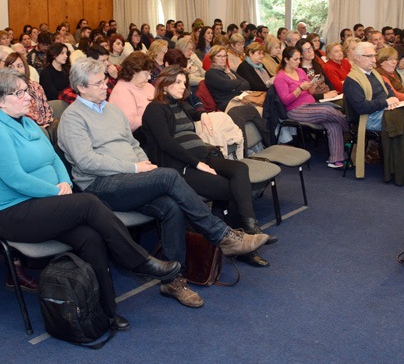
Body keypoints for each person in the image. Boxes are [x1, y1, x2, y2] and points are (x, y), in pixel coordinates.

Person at [0, 68, 181, 330]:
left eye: (26, 90)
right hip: (10, 213)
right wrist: (55, 191)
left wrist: (65, 183)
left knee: (90, 237)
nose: (29, 97)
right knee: (88, 203)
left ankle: (106, 311)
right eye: (20, 92)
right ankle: (138, 260)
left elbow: (54, 158)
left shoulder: (27, 122)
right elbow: (15, 179)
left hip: (42, 205)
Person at [56, 58, 269, 309]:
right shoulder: (72, 119)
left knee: (171, 206)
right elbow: (86, 161)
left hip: (131, 179)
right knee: (168, 175)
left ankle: (173, 280)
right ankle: (223, 235)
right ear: (81, 87)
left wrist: (144, 165)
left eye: (105, 80)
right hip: (101, 186)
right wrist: (136, 168)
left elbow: (134, 145)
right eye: (99, 82)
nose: (106, 86)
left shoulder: (112, 111)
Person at [142, 65, 276, 270]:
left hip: (203, 155)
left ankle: (250, 226)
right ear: (164, 83)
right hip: (182, 166)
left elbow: (196, 105)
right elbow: (166, 144)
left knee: (240, 170)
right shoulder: (155, 108)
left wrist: (202, 114)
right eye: (177, 82)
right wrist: (197, 164)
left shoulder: (180, 104)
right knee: (231, 189)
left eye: (184, 83)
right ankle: (245, 247)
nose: (182, 86)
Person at [343, 42, 404, 185]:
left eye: (374, 56)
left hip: (384, 111)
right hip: (367, 118)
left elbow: (390, 91)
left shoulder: (375, 74)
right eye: (369, 56)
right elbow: (362, 107)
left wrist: (392, 99)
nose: (374, 60)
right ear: (357, 58)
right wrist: (386, 103)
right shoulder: (352, 80)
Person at [274, 46, 348, 169]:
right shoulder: (281, 77)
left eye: (299, 59)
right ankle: (349, 128)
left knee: (332, 123)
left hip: (311, 106)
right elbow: (286, 100)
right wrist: (300, 88)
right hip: (295, 110)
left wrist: (312, 86)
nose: (299, 62)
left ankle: (336, 159)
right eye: (296, 59)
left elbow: (310, 93)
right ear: (286, 60)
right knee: (327, 110)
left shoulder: (300, 72)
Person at [108, 52, 155, 134]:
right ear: (134, 72)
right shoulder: (122, 90)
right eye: (146, 74)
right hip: (140, 137)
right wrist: (157, 116)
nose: (149, 77)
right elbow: (130, 123)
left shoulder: (148, 86)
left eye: (150, 73)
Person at [5, 52, 53, 127]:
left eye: (19, 66)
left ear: (25, 67)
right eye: (11, 67)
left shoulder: (35, 86)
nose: (15, 70)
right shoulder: (6, 91)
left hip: (42, 126)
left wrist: (45, 125)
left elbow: (47, 109)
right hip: (20, 127)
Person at [205, 45, 250, 111]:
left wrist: (233, 88)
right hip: (226, 103)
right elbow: (226, 85)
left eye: (224, 56)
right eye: (219, 56)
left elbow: (247, 84)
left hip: (239, 98)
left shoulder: (228, 70)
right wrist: (237, 82)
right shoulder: (210, 73)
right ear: (212, 58)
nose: (223, 59)